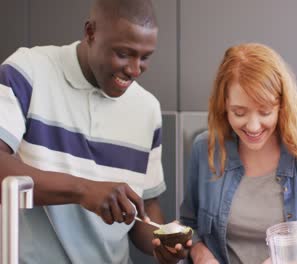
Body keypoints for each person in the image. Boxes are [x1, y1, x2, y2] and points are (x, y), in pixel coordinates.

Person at [0, 0, 190, 263]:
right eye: (123, 53)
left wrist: (161, 244)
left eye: (145, 57)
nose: (135, 70)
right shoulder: (28, 71)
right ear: (91, 33)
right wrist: (83, 190)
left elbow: (144, 210)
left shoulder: (148, 110)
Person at [180, 43, 297, 264]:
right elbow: (190, 224)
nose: (253, 126)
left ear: (281, 106)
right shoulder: (205, 149)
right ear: (224, 104)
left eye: (265, 111)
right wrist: (200, 254)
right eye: (239, 112)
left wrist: (284, 261)